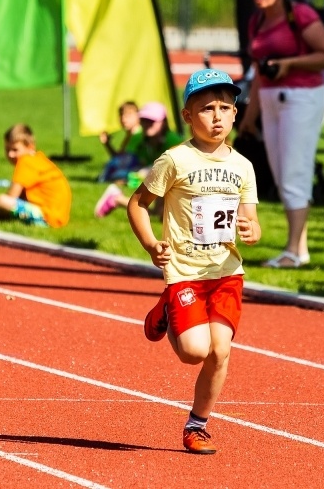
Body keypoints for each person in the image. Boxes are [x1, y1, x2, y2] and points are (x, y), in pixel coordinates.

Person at [127, 68, 260, 454]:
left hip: (226, 273)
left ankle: (197, 425)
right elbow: (137, 205)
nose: (216, 116)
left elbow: (251, 220)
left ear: (235, 113)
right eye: (206, 109)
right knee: (193, 352)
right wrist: (152, 243)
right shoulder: (174, 160)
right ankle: (167, 307)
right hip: (183, 271)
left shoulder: (243, 167)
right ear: (187, 116)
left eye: (224, 107)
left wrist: (252, 231)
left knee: (220, 350)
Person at [237, 0, 324, 268]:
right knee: (282, 175)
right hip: (269, 99)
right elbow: (258, 73)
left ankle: (293, 250)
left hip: (302, 99)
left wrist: (289, 64)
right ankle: (299, 248)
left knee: (294, 173)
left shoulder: (300, 15)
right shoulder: (256, 21)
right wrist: (248, 119)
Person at [94, 101, 182, 217]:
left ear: (164, 122)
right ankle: (116, 199)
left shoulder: (173, 142)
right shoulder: (144, 142)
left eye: (152, 121)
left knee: (161, 215)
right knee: (160, 214)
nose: (147, 124)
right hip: (165, 181)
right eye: (144, 120)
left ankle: (116, 199)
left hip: (178, 182)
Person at [0, 124, 72, 228]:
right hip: (58, 216)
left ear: (30, 147)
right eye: (7, 150)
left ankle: (1, 223)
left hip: (46, 216)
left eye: (15, 150)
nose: (10, 154)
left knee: (2, 200)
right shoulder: (38, 159)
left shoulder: (25, 161)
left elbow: (12, 196)